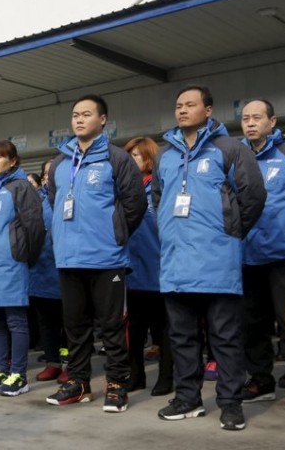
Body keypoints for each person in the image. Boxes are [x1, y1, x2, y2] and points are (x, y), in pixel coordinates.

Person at [153, 87, 266, 432]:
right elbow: (159, 199)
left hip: (217, 261)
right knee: (182, 337)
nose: (183, 110)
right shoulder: (165, 155)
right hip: (175, 261)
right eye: (178, 105)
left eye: (190, 104)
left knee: (226, 337)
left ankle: (230, 403)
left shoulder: (229, 149)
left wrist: (229, 233)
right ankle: (188, 398)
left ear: (209, 110)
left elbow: (254, 196)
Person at [46, 94, 148, 413]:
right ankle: (78, 382)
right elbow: (54, 201)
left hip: (107, 259)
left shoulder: (117, 159)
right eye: (75, 114)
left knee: (112, 326)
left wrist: (114, 234)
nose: (78, 119)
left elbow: (135, 205)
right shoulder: (61, 164)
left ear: (102, 120)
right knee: (75, 326)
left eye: (86, 114)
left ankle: (117, 384)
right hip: (69, 257)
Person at [238, 99, 285, 411]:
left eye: (257, 117)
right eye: (245, 118)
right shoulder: (236, 155)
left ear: (273, 121)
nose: (250, 123)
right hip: (247, 256)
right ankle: (261, 380)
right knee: (252, 324)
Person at [0, 140, 45, 397]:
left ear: (13, 161)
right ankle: (1, 369)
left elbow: (35, 228)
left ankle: (19, 374)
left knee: (15, 320)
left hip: (10, 264)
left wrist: (24, 257)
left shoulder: (21, 187)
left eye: (0, 157)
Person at [122, 136, 174, 397]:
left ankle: (166, 377)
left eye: (135, 156)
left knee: (163, 329)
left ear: (150, 160)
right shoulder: (124, 191)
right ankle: (136, 375)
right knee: (135, 328)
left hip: (160, 270)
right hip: (133, 271)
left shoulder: (160, 188)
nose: (130, 161)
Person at [29, 159, 65, 383]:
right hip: (41, 268)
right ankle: (53, 362)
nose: (47, 177)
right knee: (46, 320)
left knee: (71, 321)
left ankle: (72, 363)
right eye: (45, 174)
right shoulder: (37, 200)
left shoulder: (68, 196)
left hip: (64, 268)